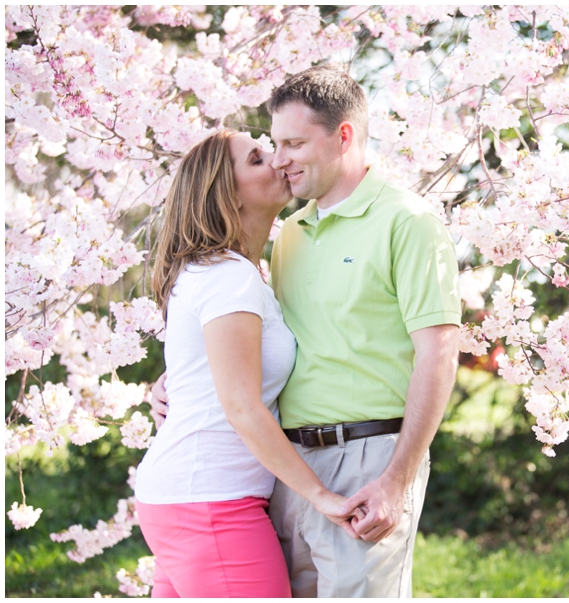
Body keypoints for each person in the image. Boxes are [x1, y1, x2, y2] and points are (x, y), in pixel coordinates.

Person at [153, 66, 461, 597]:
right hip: (285, 470)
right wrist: (180, 381)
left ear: (342, 136)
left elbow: (439, 356)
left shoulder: (408, 222)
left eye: (293, 143)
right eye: (273, 145)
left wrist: (396, 479)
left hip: (369, 455)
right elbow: (257, 338)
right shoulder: (290, 233)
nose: (280, 159)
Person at [136, 129, 362, 598]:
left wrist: (168, 384)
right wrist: (320, 495)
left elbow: (203, 367)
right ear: (227, 194)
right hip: (211, 504)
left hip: (190, 498)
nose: (279, 161)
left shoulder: (232, 273)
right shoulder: (227, 277)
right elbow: (241, 406)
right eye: (258, 159)